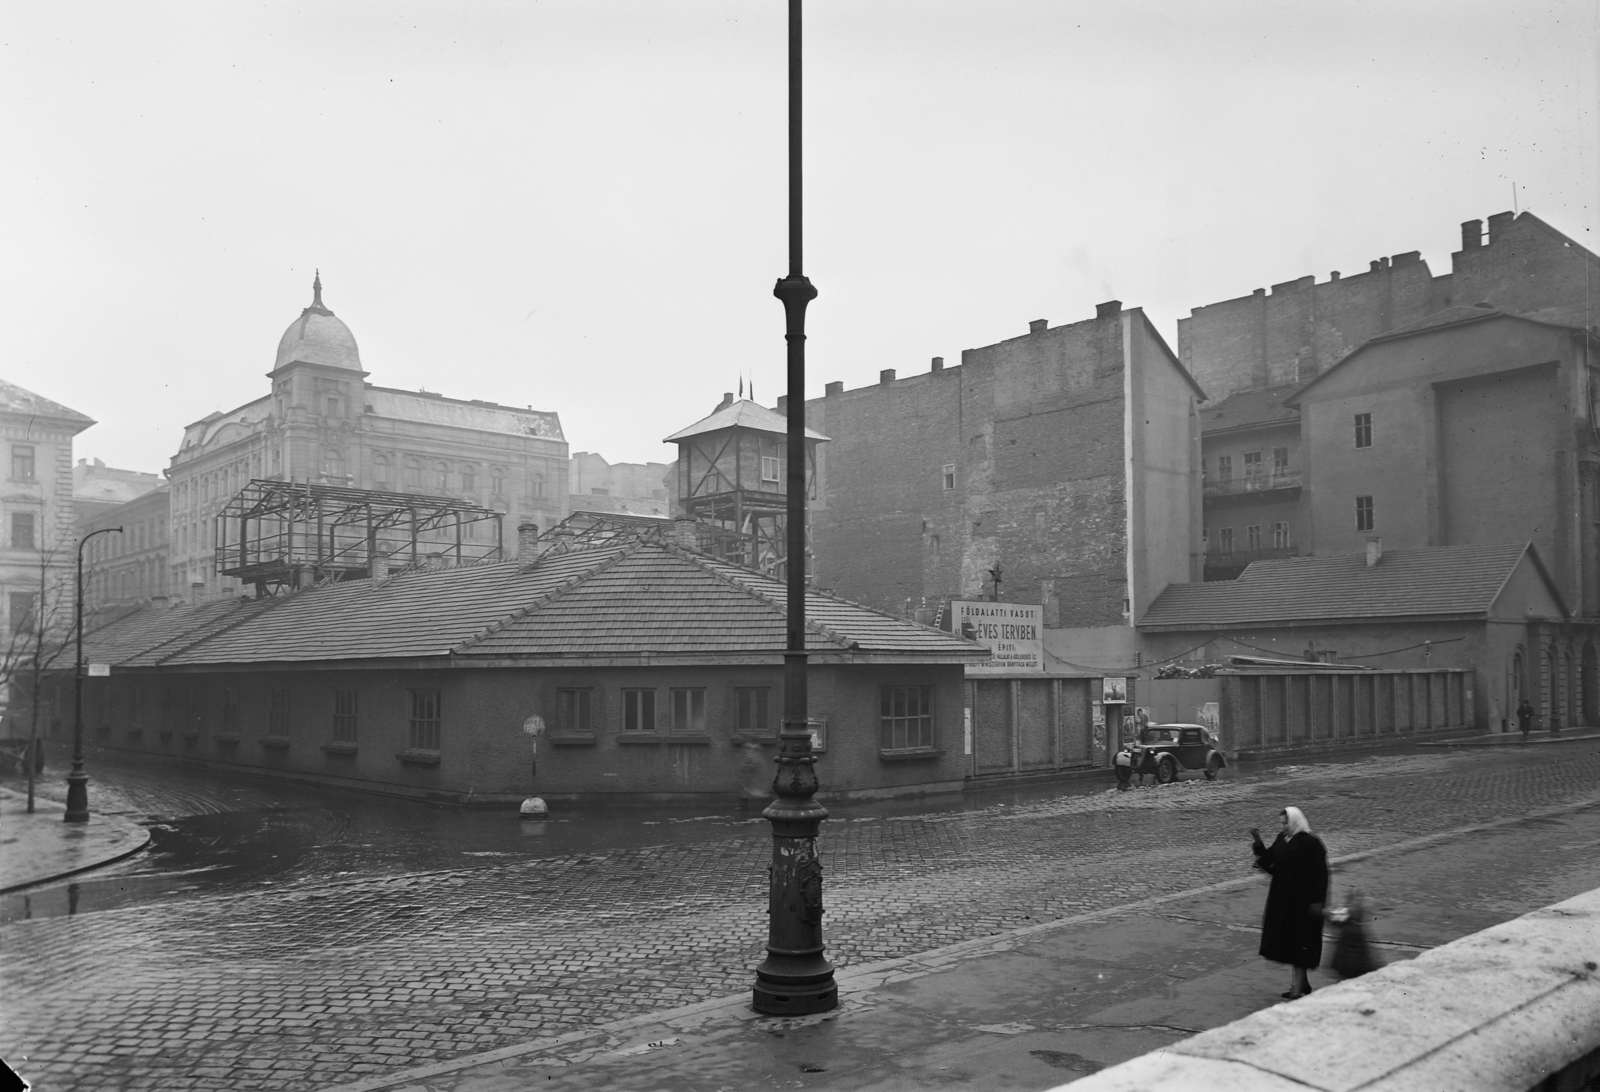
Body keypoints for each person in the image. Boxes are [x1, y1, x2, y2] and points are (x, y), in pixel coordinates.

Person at [1251, 805, 1329, 999]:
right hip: (1284, 901)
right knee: (1292, 945)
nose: (1283, 827)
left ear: (1294, 822)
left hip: (1303, 902)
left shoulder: (1311, 843)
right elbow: (1270, 860)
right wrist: (1257, 842)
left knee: (1299, 944)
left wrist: (1319, 901)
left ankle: (1298, 988)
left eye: (1285, 823)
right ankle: (1302, 984)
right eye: (1281, 824)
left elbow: (1321, 875)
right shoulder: (1282, 840)